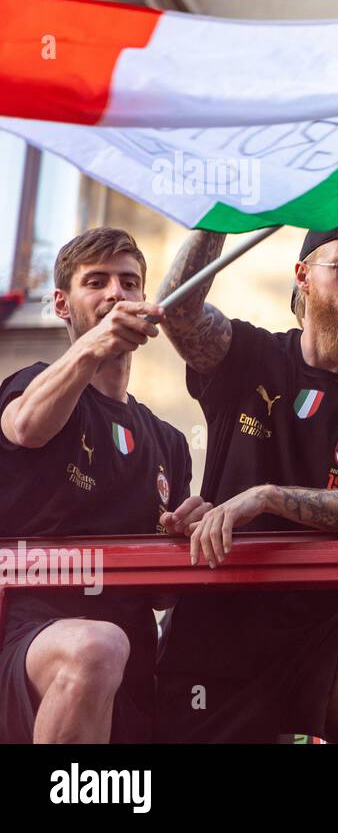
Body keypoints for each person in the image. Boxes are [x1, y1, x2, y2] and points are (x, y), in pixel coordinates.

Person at [154, 211, 338, 743]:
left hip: (320, 634)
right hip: (216, 630)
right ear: (303, 275)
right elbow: (177, 308)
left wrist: (266, 498)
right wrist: (222, 209)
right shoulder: (249, 354)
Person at [0, 229, 199, 742]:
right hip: (30, 639)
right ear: (62, 304)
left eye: (130, 283)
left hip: (131, 663)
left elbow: (163, 597)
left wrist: (186, 536)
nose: (117, 294)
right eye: (97, 281)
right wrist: (92, 347)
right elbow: (25, 426)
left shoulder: (170, 442)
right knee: (96, 647)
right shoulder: (35, 384)